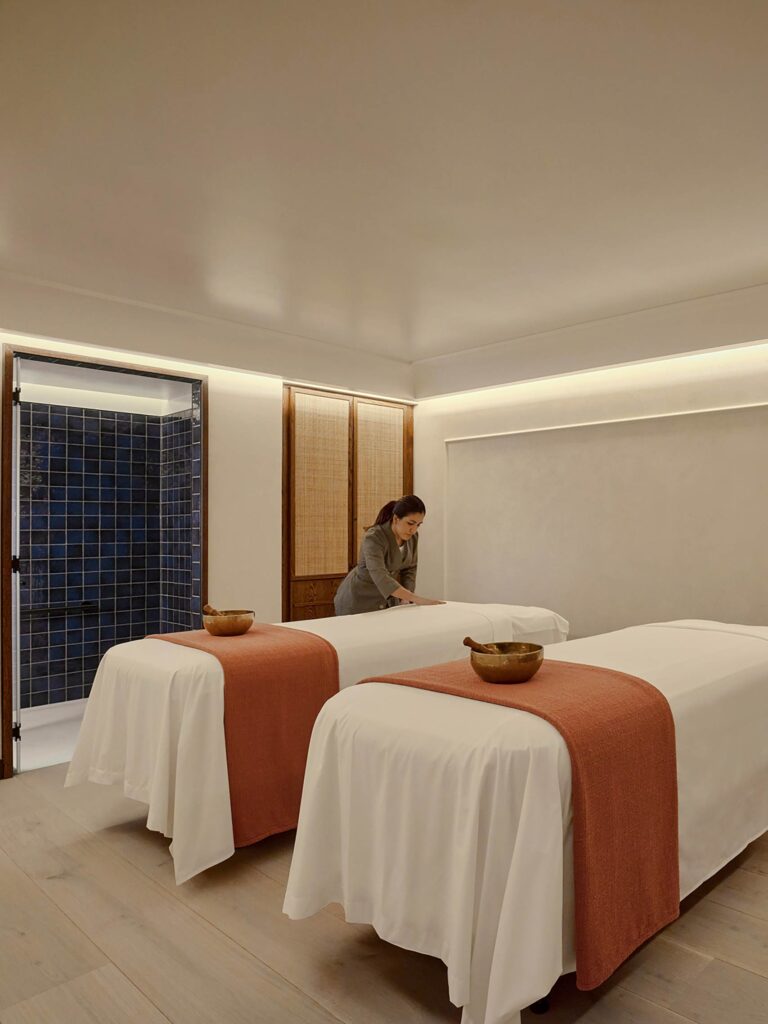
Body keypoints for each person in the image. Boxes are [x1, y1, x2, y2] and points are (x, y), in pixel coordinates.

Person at [333, 495, 444, 616]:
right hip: (358, 599)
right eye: (410, 523)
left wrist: (406, 598)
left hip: (387, 601)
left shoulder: (413, 537)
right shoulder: (374, 537)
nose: (414, 530)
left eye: (418, 525)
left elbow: (410, 569)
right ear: (396, 519)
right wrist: (417, 599)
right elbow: (380, 575)